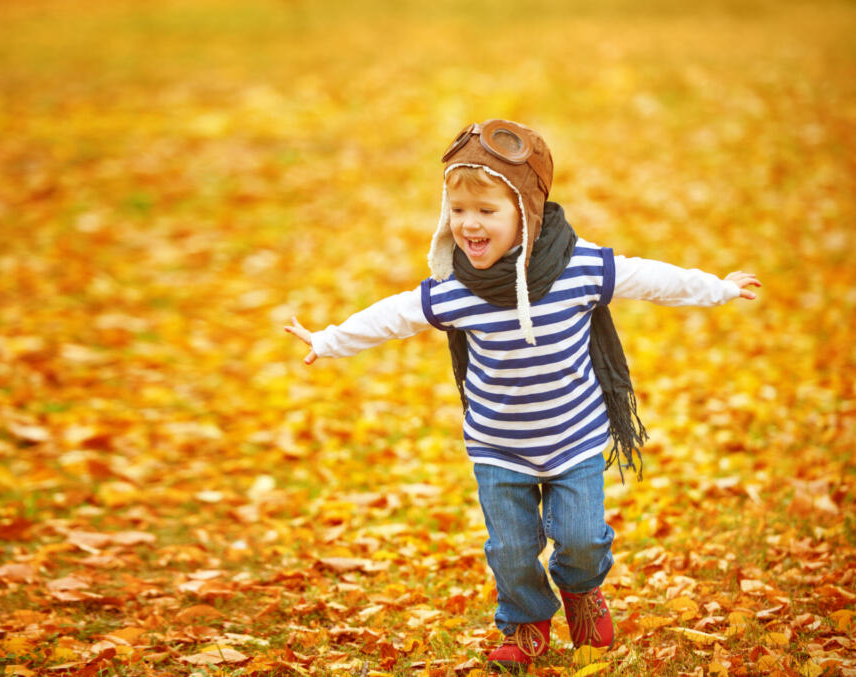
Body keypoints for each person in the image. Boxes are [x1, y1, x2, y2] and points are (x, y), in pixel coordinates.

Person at [284, 119, 760, 672]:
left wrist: (717, 288)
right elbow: (394, 315)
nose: (469, 224)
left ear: (526, 214)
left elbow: (649, 278)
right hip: (497, 445)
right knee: (510, 551)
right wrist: (328, 340)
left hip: (574, 436)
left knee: (581, 539)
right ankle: (526, 622)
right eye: (458, 211)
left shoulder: (580, 269)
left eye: (487, 212)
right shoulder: (457, 290)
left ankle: (582, 592)